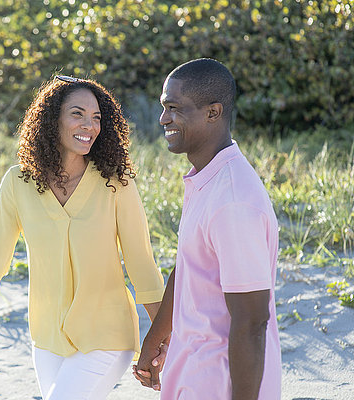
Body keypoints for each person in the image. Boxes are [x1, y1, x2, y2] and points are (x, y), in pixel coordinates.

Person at [0, 75, 165, 399]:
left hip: (106, 336)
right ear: (51, 119)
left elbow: (143, 266)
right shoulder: (17, 182)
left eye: (97, 117)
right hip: (46, 341)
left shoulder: (116, 183)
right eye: (77, 114)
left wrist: (160, 342)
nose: (90, 125)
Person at [133, 58, 281, 399]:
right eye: (163, 107)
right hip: (189, 375)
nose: (163, 118)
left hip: (220, 385)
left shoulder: (233, 201)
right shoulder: (206, 178)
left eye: (174, 108)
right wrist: (155, 339)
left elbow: (252, 322)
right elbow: (188, 267)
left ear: (213, 112)